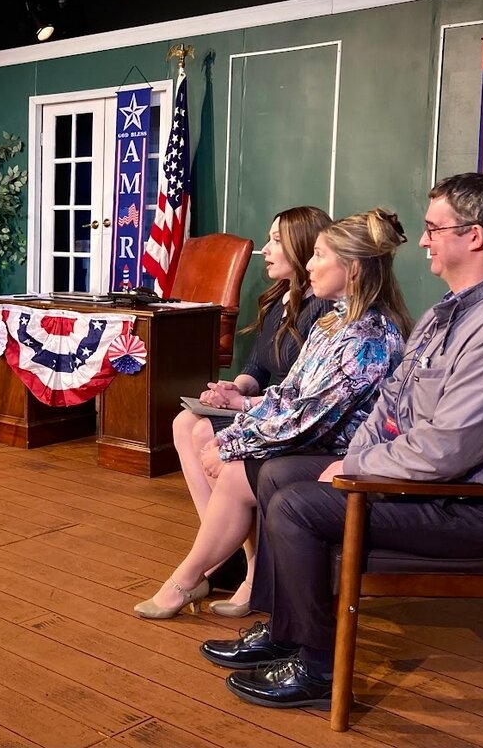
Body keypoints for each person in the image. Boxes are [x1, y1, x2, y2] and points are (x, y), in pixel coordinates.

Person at [201, 172, 483, 711]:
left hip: (476, 506)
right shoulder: (450, 311)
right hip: (434, 485)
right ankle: (286, 630)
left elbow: (447, 450)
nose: (421, 241)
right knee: (276, 472)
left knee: (299, 505)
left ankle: (317, 668)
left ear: (476, 237)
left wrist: (358, 467)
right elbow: (392, 404)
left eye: (433, 228)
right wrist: (354, 457)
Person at [134, 208, 413, 620]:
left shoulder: (367, 335)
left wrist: (230, 443)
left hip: (343, 451)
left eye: (319, 255)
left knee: (231, 468)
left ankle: (190, 578)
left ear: (352, 270)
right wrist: (236, 422)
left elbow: (308, 419)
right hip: (317, 436)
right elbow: (289, 393)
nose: (311, 264)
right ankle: (215, 571)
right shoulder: (335, 323)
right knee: (211, 445)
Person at [171, 206, 333, 616]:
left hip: (289, 420)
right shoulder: (280, 301)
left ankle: (247, 565)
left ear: (304, 246)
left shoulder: (326, 313)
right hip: (261, 405)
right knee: (184, 421)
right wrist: (234, 386)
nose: (265, 250)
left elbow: (302, 395)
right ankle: (227, 553)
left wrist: (240, 404)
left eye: (276, 240)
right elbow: (258, 367)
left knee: (205, 433)